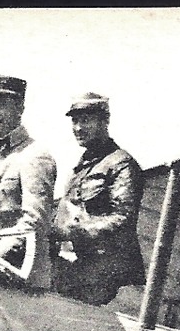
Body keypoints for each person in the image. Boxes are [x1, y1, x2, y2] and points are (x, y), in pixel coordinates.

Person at [0, 75, 58, 290]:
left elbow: (35, 222)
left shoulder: (34, 156)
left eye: (1, 105)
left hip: (10, 275)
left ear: (19, 109)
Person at [51, 92, 145, 306]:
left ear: (105, 121)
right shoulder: (83, 167)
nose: (78, 128)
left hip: (109, 276)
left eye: (86, 120)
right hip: (84, 267)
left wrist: (72, 231)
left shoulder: (121, 164)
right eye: (75, 121)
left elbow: (122, 219)